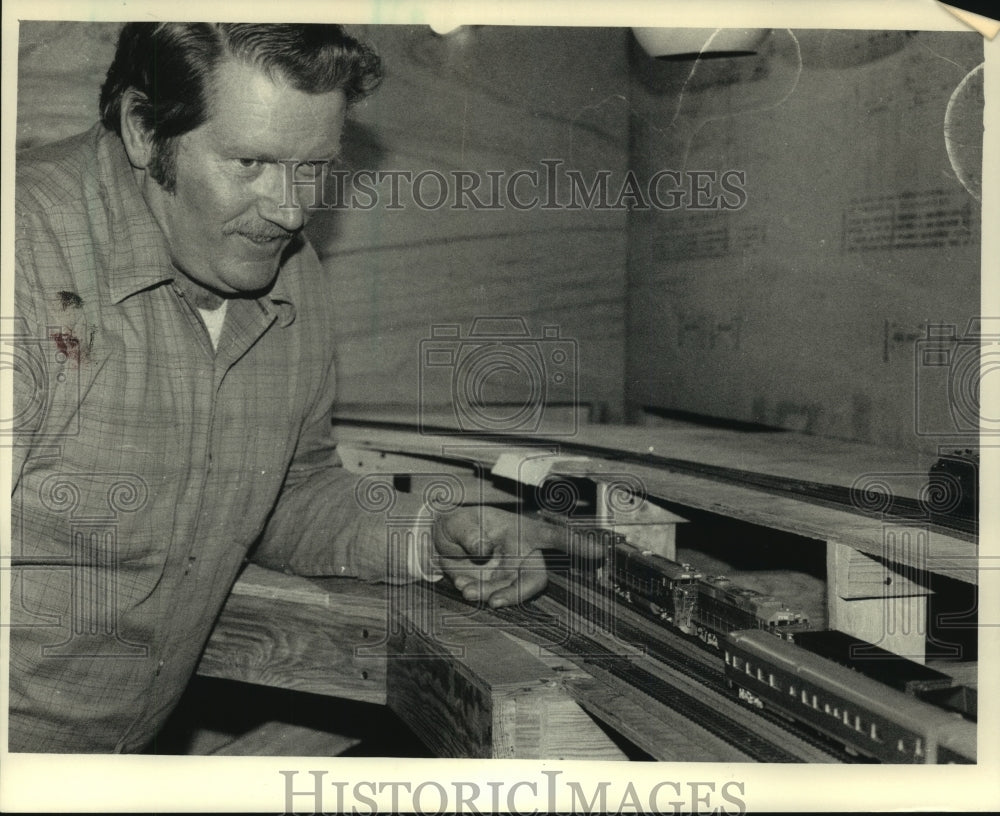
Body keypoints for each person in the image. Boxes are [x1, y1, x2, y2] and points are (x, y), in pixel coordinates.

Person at [10, 22, 557, 754]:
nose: (292, 210)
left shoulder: (283, 268)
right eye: (253, 162)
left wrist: (431, 534)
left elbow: (290, 489)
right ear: (144, 129)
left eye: (315, 168)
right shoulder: (24, 256)